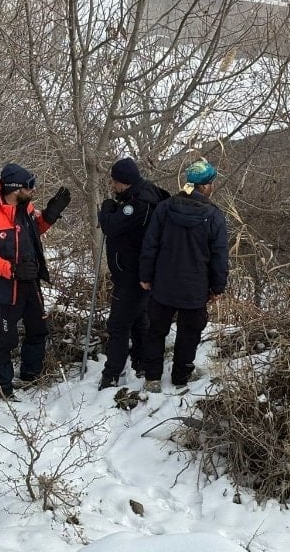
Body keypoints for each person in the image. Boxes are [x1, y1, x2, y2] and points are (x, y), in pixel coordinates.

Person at [0, 163, 71, 398]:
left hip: (30, 283)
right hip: (5, 287)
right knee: (7, 338)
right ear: (16, 189)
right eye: (30, 187)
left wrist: (50, 215)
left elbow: (34, 229)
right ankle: (2, 386)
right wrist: (12, 269)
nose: (33, 190)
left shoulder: (25, 207)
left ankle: (31, 375)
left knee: (38, 329)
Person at [138, 157, 229, 393]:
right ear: (206, 186)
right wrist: (218, 287)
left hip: (163, 284)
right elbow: (219, 256)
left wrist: (146, 276)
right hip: (195, 288)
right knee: (189, 334)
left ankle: (152, 378)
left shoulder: (165, 208)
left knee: (156, 330)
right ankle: (180, 376)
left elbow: (150, 245)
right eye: (212, 182)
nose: (213, 186)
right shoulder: (214, 216)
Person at [97, 158, 169, 390]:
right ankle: (141, 363)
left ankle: (111, 375)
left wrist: (107, 208)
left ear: (124, 182)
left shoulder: (138, 204)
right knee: (139, 320)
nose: (112, 185)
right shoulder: (144, 195)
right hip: (140, 272)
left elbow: (111, 226)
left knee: (118, 325)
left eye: (115, 181)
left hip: (132, 273)